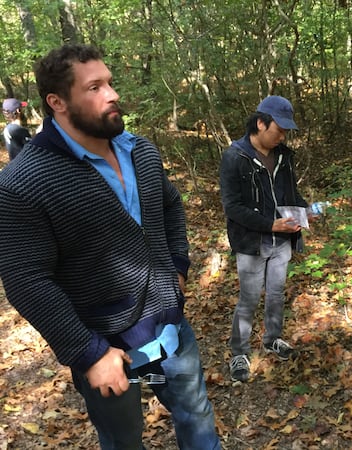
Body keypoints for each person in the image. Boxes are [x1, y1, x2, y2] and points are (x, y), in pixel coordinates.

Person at [0, 44, 221, 450]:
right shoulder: (24, 183)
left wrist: (178, 264)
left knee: (197, 415)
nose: (112, 94)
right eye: (95, 87)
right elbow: (25, 279)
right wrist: (89, 353)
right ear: (57, 102)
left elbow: (169, 204)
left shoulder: (141, 151)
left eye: (111, 83)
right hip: (107, 347)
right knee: (124, 441)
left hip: (172, 328)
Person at [219, 95, 311, 382]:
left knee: (275, 294)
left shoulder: (284, 156)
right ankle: (239, 353)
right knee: (248, 298)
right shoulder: (235, 157)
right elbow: (232, 208)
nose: (282, 135)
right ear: (260, 123)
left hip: (282, 240)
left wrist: (305, 210)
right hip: (251, 243)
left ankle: (273, 339)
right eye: (278, 129)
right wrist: (271, 225)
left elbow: (288, 194)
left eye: (286, 131)